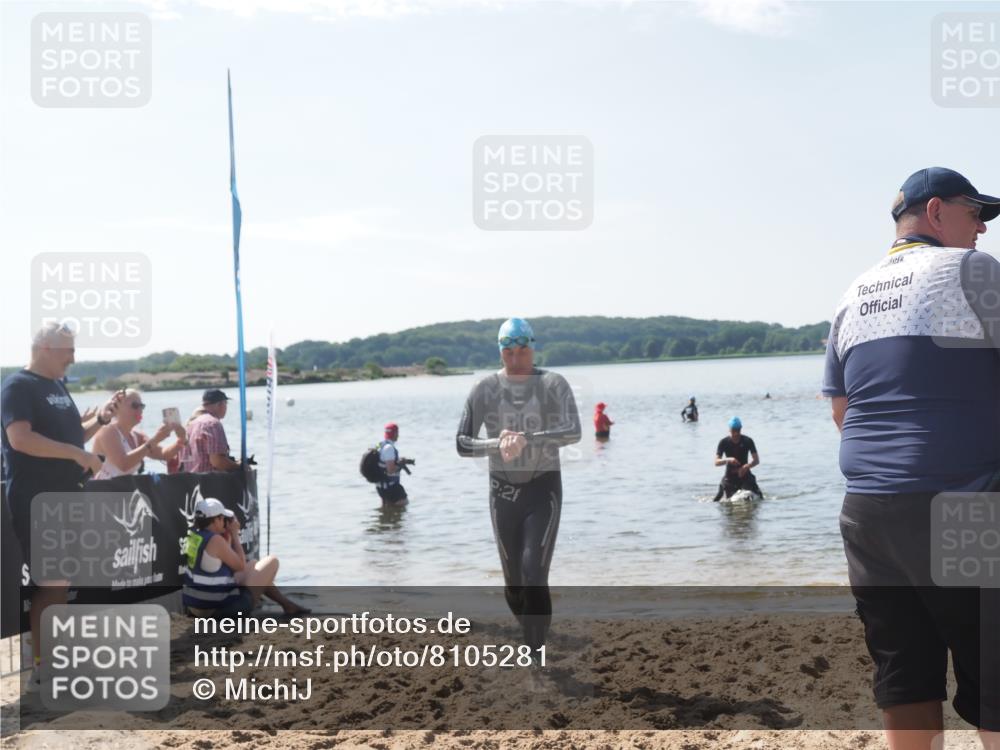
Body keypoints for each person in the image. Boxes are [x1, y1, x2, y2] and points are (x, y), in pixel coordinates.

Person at [823, 167, 1000, 747]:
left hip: (869, 514)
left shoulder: (854, 293)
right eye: (975, 212)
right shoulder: (972, 272)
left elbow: (843, 413)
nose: (981, 229)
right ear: (936, 211)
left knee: (904, 676)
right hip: (961, 503)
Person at [1, 323, 122, 690]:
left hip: (66, 495)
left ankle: (52, 664)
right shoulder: (17, 387)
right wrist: (75, 453)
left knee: (59, 583)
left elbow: (68, 437)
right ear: (47, 348)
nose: (74, 357)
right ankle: (44, 669)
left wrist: (98, 421)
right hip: (37, 497)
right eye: (69, 350)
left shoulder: (57, 386)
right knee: (51, 583)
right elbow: (19, 439)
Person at [456, 317, 581, 669]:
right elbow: (462, 443)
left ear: (533, 347)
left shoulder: (554, 384)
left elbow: (573, 431)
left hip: (543, 488)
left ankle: (535, 655)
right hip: (502, 493)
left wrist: (528, 439)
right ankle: (532, 632)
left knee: (534, 574)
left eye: (522, 349)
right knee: (514, 587)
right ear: (500, 351)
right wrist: (498, 444)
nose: (516, 358)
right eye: (508, 351)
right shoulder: (484, 388)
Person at [182, 496, 309, 617]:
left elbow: (219, 565)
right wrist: (235, 535)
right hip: (218, 610)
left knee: (254, 564)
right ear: (215, 520)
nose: (224, 522)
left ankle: (287, 604)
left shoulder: (194, 535)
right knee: (272, 561)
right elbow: (240, 566)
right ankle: (287, 605)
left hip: (195, 606)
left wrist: (228, 537)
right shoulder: (215, 540)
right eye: (222, 518)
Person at [92, 389, 187, 479]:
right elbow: (123, 464)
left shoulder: (137, 435)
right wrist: (156, 439)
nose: (140, 410)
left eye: (141, 406)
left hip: (123, 491)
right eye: (135, 406)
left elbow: (163, 454)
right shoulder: (107, 430)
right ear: (117, 407)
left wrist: (181, 439)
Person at [180, 389, 241, 473]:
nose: (226, 407)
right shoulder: (213, 424)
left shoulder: (189, 425)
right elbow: (217, 461)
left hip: (191, 482)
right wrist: (239, 466)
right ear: (219, 404)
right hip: (210, 482)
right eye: (226, 403)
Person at [712, 417, 762, 501]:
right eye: (733, 430)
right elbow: (716, 462)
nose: (736, 433)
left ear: (741, 429)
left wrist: (747, 466)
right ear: (729, 429)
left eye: (738, 430)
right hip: (730, 476)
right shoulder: (723, 442)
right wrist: (728, 459)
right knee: (722, 500)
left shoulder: (748, 441)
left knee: (757, 497)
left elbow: (756, 460)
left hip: (745, 474)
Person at [376, 422, 408, 505]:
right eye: (397, 433)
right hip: (391, 486)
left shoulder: (380, 445)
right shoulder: (389, 448)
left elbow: (383, 463)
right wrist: (400, 464)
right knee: (404, 504)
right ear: (395, 433)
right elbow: (390, 470)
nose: (398, 435)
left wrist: (397, 462)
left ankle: (387, 517)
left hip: (381, 486)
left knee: (387, 509)